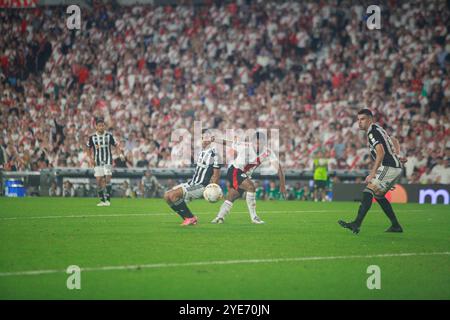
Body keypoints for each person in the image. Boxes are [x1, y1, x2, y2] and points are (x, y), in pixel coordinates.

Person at [338, 109, 406, 234]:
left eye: (362, 119)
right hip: (393, 166)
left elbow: (380, 152)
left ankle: (356, 224)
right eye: (358, 120)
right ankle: (396, 226)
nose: (359, 122)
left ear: (370, 119)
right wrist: (397, 155)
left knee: (368, 192)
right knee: (379, 196)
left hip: (388, 166)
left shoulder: (372, 133)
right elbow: (394, 140)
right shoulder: (378, 129)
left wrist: (373, 173)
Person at [211, 132, 287, 224]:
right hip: (235, 171)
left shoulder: (268, 152)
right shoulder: (245, 146)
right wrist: (215, 139)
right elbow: (229, 143)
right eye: (256, 143)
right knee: (251, 187)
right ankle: (254, 217)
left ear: (265, 143)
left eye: (260, 143)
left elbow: (279, 168)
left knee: (233, 195)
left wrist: (282, 185)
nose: (258, 145)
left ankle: (219, 217)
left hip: (244, 174)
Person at [164, 130, 221, 226]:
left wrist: (213, 189)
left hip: (202, 186)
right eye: (203, 138)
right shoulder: (202, 151)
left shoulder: (214, 154)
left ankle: (190, 217)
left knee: (173, 196)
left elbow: (216, 174)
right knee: (167, 196)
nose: (205, 140)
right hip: (192, 183)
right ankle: (187, 218)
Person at [86, 117, 124, 206]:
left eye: (103, 126)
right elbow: (88, 148)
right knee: (99, 181)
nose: (101, 127)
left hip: (108, 160)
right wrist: (90, 158)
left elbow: (116, 146)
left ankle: (108, 200)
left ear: (104, 126)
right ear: (96, 127)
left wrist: (121, 155)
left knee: (107, 179)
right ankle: (102, 200)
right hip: (97, 161)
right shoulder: (92, 137)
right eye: (99, 126)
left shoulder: (109, 136)